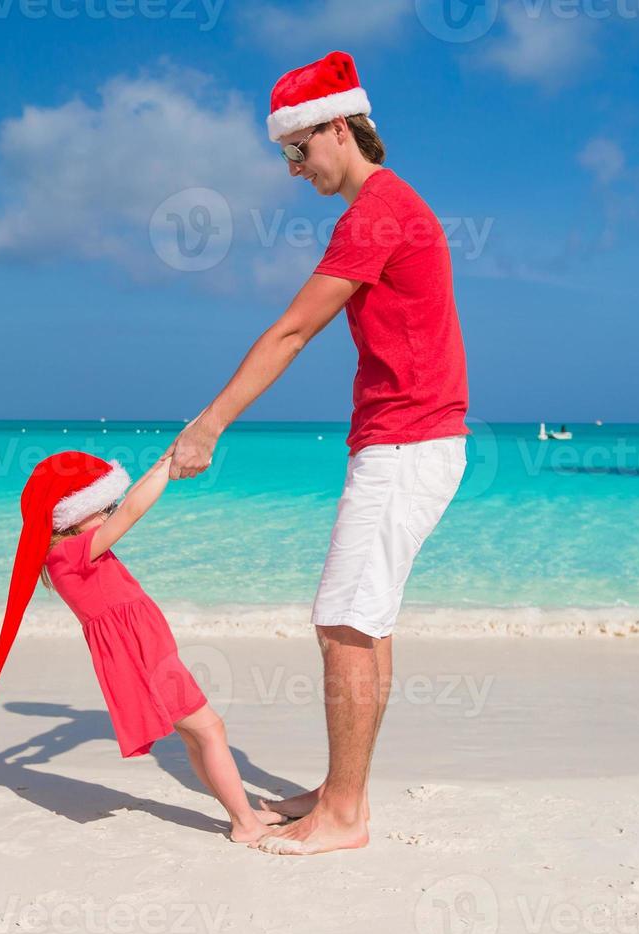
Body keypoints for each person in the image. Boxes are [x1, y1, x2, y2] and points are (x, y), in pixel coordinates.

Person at [167, 52, 471, 855]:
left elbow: (294, 330)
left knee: (340, 625)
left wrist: (209, 424)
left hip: (407, 443)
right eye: (285, 156)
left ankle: (345, 817)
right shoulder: (393, 207)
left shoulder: (377, 213)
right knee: (364, 627)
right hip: (409, 440)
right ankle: (342, 792)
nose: (294, 169)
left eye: (299, 150)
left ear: (341, 127)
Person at [0, 450, 284, 843]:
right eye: (101, 506)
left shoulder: (68, 552)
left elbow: (48, 743)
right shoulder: (68, 553)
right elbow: (131, 512)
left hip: (144, 651)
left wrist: (32, 750)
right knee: (210, 729)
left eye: (108, 504)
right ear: (70, 514)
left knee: (197, 735)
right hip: (140, 656)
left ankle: (241, 815)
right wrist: (166, 466)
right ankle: (245, 823)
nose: (109, 512)